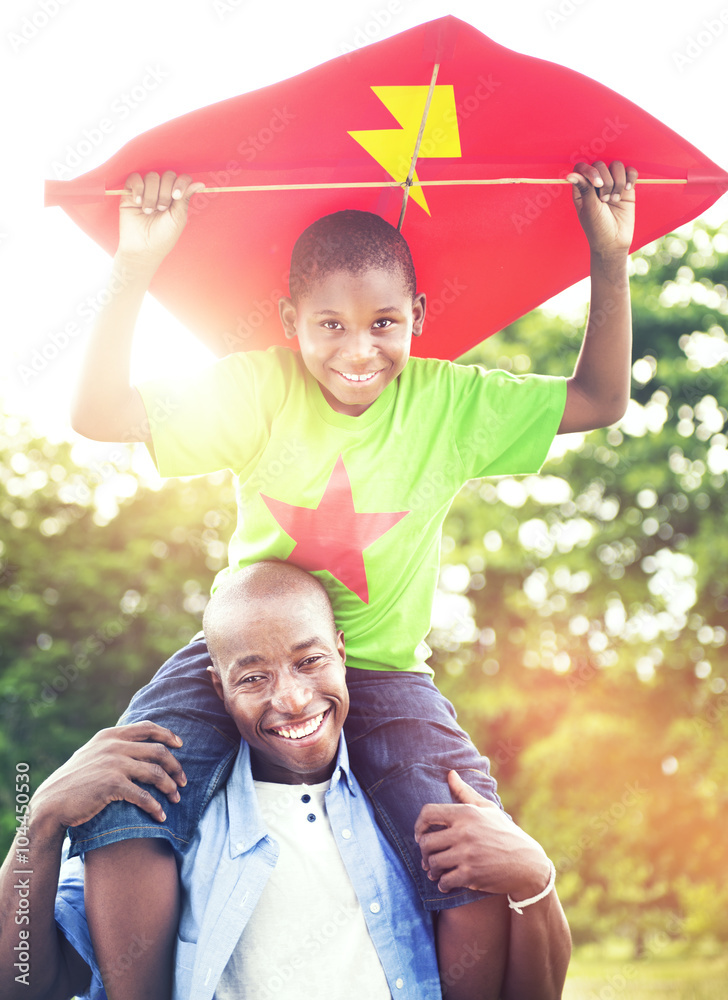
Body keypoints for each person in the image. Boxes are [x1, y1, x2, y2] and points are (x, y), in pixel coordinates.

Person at [67, 159, 635, 998]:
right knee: (122, 805)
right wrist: (136, 265)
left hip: (386, 671)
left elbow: (600, 399)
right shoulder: (260, 388)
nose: (359, 350)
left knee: (467, 844)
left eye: (383, 323)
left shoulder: (449, 404)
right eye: (329, 325)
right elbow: (97, 415)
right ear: (290, 322)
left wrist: (610, 254)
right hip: (249, 657)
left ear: (418, 318)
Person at [0, 563, 571, 1000]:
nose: (292, 699)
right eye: (253, 676)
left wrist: (535, 879)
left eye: (309, 661)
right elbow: (22, 981)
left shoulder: (417, 811)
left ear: (342, 654)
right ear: (218, 689)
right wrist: (40, 823)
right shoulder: (170, 828)